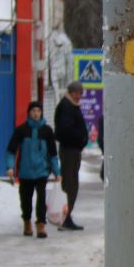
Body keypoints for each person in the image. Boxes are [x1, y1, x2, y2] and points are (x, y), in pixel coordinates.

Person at [6, 100, 62, 238]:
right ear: (29, 113)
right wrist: (10, 167)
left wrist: (57, 171)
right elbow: (11, 150)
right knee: (26, 199)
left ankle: (41, 225)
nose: (36, 114)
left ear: (41, 113)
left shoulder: (47, 131)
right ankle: (27, 222)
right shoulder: (21, 130)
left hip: (42, 171)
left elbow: (53, 154)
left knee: (41, 199)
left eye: (38, 111)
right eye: (33, 111)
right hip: (25, 171)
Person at [53, 81, 88, 230]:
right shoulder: (66, 107)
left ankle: (67, 216)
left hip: (73, 150)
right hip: (69, 150)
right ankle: (64, 217)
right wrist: (79, 139)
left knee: (72, 184)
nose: (80, 96)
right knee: (69, 185)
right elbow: (64, 130)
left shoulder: (71, 106)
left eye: (81, 93)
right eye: (78, 93)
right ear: (72, 92)